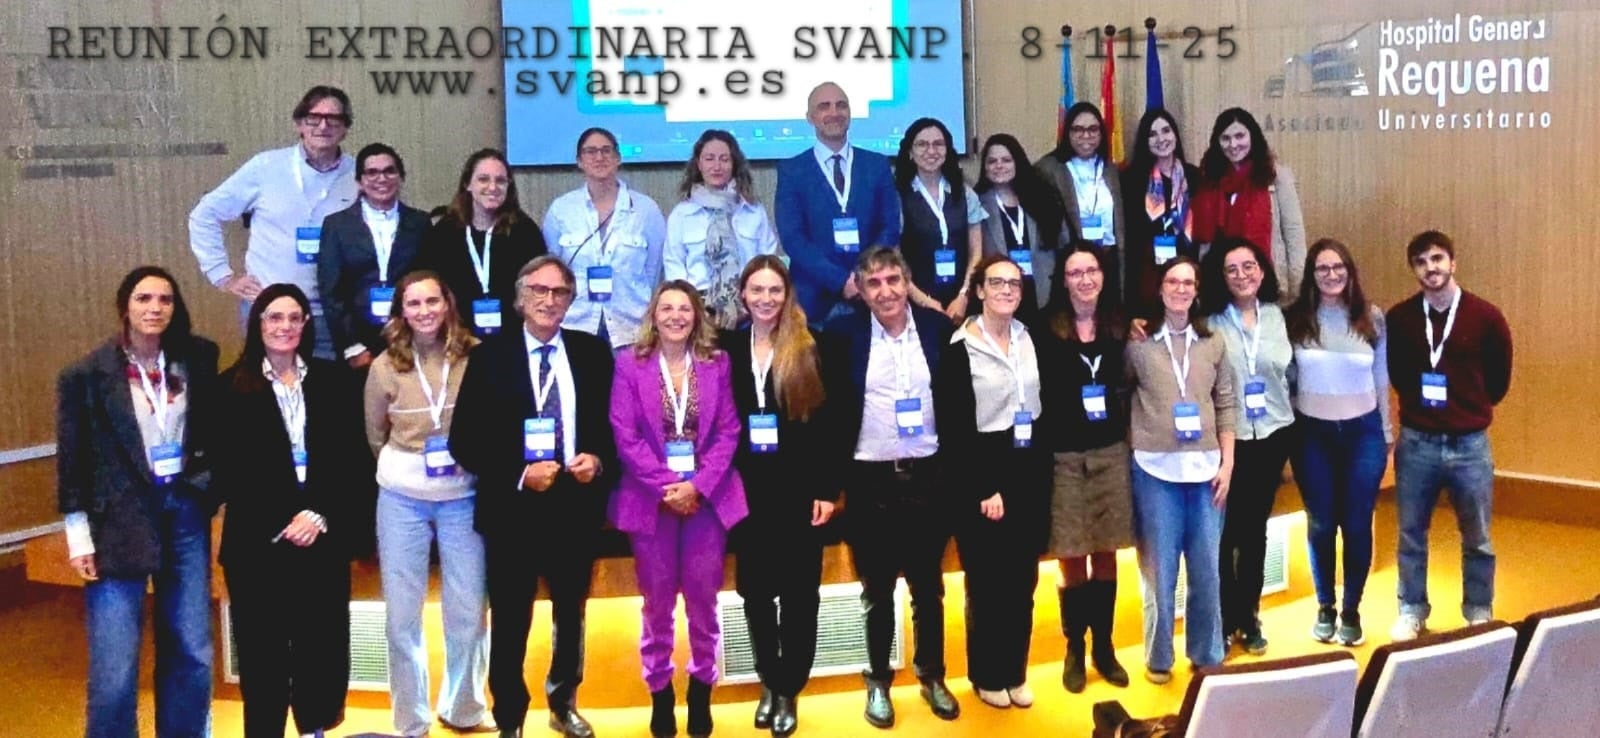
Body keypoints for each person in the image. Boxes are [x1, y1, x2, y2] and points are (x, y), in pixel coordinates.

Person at [449, 255, 618, 738]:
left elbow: (613, 429)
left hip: (575, 505)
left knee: (571, 611)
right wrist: (521, 473)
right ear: (521, 298)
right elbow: (466, 440)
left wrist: (598, 461)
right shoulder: (489, 357)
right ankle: (510, 717)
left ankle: (564, 701)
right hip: (513, 509)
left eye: (560, 292)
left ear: (570, 300)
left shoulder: (591, 353)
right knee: (511, 617)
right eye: (539, 291)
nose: (549, 300)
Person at [56, 266, 219, 738]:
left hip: (183, 513)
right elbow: (73, 459)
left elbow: (213, 430)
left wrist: (207, 487)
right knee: (115, 664)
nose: (154, 308)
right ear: (125, 305)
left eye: (164, 299)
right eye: (144, 298)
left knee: (191, 647)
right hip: (116, 523)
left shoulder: (197, 358)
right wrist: (77, 535)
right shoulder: (85, 375)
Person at [213, 284, 366, 738]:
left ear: (305, 324)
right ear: (257, 324)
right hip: (258, 543)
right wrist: (286, 518)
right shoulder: (229, 386)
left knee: (321, 647)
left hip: (321, 537)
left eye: (293, 317)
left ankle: (314, 730)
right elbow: (230, 470)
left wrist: (318, 514)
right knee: (263, 656)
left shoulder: (334, 381)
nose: (284, 326)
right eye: (274, 317)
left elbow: (352, 461)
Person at [821, 246, 958, 727]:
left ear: (908, 282)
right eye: (874, 283)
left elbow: (958, 404)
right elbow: (830, 411)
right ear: (860, 288)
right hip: (869, 480)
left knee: (928, 587)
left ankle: (932, 676)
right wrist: (829, 483)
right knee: (876, 591)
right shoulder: (841, 335)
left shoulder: (938, 329)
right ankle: (877, 681)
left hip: (928, 476)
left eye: (893, 280)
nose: (885, 291)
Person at [610, 281, 747, 738]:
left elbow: (729, 430)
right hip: (651, 501)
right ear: (654, 314)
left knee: (705, 603)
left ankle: (702, 688)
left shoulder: (717, 362)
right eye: (666, 308)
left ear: (696, 316)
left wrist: (698, 486)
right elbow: (623, 433)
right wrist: (671, 485)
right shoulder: (630, 363)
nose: (675, 316)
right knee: (656, 604)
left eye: (684, 308)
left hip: (706, 502)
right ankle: (661, 692)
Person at [362, 271, 492, 736]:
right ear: (401, 311)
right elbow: (376, 434)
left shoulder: (476, 356)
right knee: (401, 615)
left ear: (447, 304)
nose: (424, 311)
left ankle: (464, 708)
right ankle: (410, 720)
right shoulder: (384, 365)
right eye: (413, 304)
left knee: (468, 610)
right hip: (402, 499)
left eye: (432, 301)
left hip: (463, 497)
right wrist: (409, 470)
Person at [719, 255, 834, 737]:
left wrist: (828, 489)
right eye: (757, 290)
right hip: (746, 493)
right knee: (756, 595)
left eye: (775, 291)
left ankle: (790, 687)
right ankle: (770, 678)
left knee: (800, 595)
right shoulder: (725, 349)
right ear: (743, 295)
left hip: (800, 492)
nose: (766, 299)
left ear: (787, 295)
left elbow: (831, 424)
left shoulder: (812, 346)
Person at [1385, 230, 1512, 641]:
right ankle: (1411, 608)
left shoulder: (1486, 316)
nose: (1430, 268)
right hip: (1418, 442)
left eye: (1437, 259)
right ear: (1414, 270)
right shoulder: (1401, 318)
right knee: (1410, 533)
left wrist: (1465, 410)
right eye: (1421, 262)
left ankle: (1478, 608)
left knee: (1477, 535)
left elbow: (1498, 380)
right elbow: (1399, 376)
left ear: (1453, 263)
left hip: (1470, 443)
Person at [935, 255, 1051, 710]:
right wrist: (984, 488)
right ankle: (986, 673)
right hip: (982, 476)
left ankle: (1015, 671)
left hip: (1029, 471)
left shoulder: (1031, 337)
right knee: (987, 583)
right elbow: (956, 429)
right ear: (979, 290)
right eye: (996, 283)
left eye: (1014, 284)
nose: (1006, 290)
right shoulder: (959, 347)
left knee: (1022, 582)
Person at [1125, 257, 1235, 683]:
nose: (1181, 288)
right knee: (1160, 569)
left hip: (1208, 471)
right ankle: (1158, 657)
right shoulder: (1138, 342)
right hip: (1155, 471)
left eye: (1189, 282)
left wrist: (1228, 463)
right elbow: (1122, 393)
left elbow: (1226, 403)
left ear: (1197, 290)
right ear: (1160, 287)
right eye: (1173, 280)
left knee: (1207, 566)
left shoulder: (1214, 341)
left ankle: (1207, 652)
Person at [189, 85, 358, 359]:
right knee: (267, 393)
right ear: (299, 124)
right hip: (270, 310)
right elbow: (204, 214)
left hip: (332, 314)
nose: (323, 126)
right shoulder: (266, 167)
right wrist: (222, 275)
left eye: (333, 119)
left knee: (327, 395)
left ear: (345, 128)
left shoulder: (359, 174)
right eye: (313, 118)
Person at [1033, 243, 1133, 693]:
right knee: (1072, 554)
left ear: (1103, 276)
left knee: (1107, 552)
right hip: (1064, 456)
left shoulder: (1121, 326)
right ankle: (1074, 648)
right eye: (1075, 273)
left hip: (1110, 452)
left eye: (1092, 270)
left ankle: (1105, 647)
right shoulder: (1043, 329)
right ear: (1064, 280)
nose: (1085, 279)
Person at [1285, 238, 1393, 647]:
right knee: (1321, 522)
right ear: (1312, 275)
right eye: (1322, 268)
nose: (1331, 275)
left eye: (1338, 267)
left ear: (1349, 271)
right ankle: (1325, 606)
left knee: (1356, 522)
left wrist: (1386, 434)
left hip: (1364, 434)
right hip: (1312, 434)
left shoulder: (1372, 318)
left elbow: (1381, 379)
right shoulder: (1295, 319)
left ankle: (1351, 609)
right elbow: (1288, 378)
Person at [1200, 237, 1294, 656]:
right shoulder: (1210, 321)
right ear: (1221, 278)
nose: (1242, 275)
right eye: (1232, 269)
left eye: (1249, 266)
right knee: (1223, 534)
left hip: (1273, 433)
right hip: (1228, 438)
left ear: (1262, 270)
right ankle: (1222, 617)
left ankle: (1249, 616)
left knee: (1255, 532)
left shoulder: (1278, 316)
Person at [775, 82, 902, 324]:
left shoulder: (877, 165)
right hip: (812, 303)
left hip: (871, 295)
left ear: (850, 114)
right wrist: (841, 280)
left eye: (841, 106)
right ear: (810, 117)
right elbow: (793, 238)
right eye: (824, 107)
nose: (834, 112)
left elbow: (890, 227)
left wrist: (863, 276)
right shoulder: (792, 170)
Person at [543, 127, 667, 348]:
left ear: (618, 158)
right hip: (576, 325)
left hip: (631, 328)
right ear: (579, 161)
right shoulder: (561, 210)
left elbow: (654, 271)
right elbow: (553, 269)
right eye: (591, 151)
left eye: (606, 150)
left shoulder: (646, 210)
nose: (599, 157)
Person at [316, 142, 431, 372]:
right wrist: (352, 347)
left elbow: (428, 282)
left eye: (389, 171)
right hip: (359, 347)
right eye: (372, 172)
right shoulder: (336, 225)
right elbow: (331, 292)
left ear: (400, 177)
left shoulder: (420, 223)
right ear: (359, 180)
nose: (382, 178)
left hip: (410, 342)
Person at [413, 148, 547, 339]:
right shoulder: (445, 232)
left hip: (513, 339)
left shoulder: (524, 230)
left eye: (500, 180)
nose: (492, 187)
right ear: (468, 184)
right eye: (483, 179)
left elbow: (539, 288)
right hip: (457, 340)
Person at [665, 130, 780, 329]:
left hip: (750, 311)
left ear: (734, 163)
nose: (716, 166)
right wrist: (693, 310)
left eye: (724, 159)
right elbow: (674, 268)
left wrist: (752, 303)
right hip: (698, 313)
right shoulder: (682, 214)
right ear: (699, 164)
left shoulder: (753, 211)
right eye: (709, 159)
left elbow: (768, 262)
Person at [1192, 108, 1307, 300]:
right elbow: (1205, 241)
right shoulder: (1210, 180)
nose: (1233, 144)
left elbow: (1294, 235)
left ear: (1252, 136)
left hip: (1268, 283)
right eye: (1225, 138)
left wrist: (1298, 290)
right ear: (1217, 142)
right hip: (1222, 283)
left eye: (1239, 136)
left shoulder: (1276, 177)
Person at [893, 117, 987, 321]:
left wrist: (963, 295)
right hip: (915, 302)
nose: (931, 151)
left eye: (938, 144)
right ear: (909, 151)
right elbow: (895, 257)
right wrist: (923, 301)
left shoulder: (965, 193)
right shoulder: (898, 196)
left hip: (962, 301)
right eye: (922, 145)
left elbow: (976, 252)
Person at [973, 133, 1071, 321]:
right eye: (992, 161)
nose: (999, 166)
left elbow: (1064, 246)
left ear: (1018, 162)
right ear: (984, 168)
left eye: (1006, 160)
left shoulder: (1043, 199)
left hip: (1043, 294)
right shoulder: (976, 203)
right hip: (1001, 296)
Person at [1036, 102, 1125, 306]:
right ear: (1067, 132)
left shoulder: (1111, 169)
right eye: (1078, 130)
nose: (1086, 136)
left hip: (1109, 257)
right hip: (1073, 261)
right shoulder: (1048, 169)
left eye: (1093, 129)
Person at [1121, 109, 1201, 314]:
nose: (1161, 139)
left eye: (1166, 131)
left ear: (1175, 135)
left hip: (1186, 267)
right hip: (1148, 272)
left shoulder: (1194, 176)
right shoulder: (1132, 179)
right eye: (1152, 134)